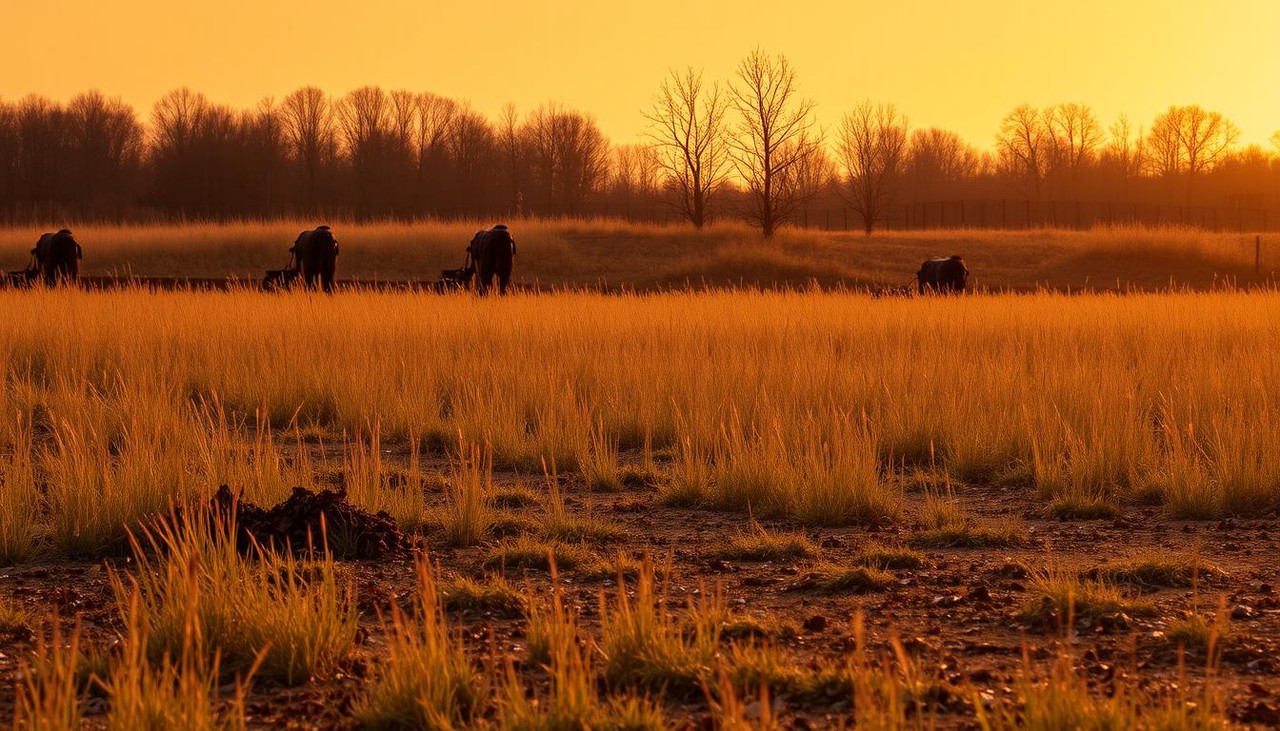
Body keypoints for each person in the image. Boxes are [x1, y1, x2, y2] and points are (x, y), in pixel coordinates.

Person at [476, 224, 516, 295]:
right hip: (504, 259)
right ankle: (502, 292)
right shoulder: (509, 237)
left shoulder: (482, 236)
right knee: (503, 286)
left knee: (486, 284)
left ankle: (485, 293)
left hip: (486, 258)